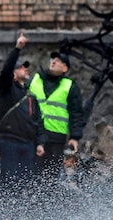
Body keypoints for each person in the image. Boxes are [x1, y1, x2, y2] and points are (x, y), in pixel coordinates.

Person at [0, 31, 46, 194]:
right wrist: (17, 48)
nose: (25, 69)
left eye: (25, 67)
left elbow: (38, 121)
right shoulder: (7, 90)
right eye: (21, 67)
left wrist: (40, 142)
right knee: (9, 182)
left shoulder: (30, 96)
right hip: (10, 142)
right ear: (14, 74)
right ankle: (6, 216)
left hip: (27, 144)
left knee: (26, 184)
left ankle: (20, 217)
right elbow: (5, 71)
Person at [28, 50, 85, 184]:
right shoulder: (35, 80)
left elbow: (76, 112)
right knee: (31, 173)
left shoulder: (70, 86)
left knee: (51, 176)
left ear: (65, 68)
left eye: (58, 60)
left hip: (56, 137)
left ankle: (49, 203)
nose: (53, 62)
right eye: (52, 59)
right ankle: (30, 203)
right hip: (33, 135)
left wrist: (75, 137)